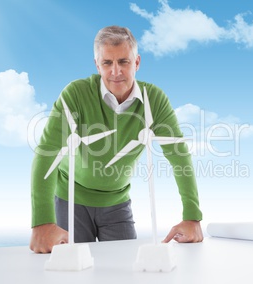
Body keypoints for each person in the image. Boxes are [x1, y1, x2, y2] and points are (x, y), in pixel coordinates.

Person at [30, 25, 203, 253]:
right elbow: (47, 152)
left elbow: (178, 156)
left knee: (126, 268)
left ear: (137, 62)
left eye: (123, 61)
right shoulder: (75, 94)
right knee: (71, 269)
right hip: (69, 199)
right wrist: (42, 222)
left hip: (117, 203)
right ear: (97, 65)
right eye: (107, 63)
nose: (115, 71)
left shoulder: (155, 100)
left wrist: (192, 217)